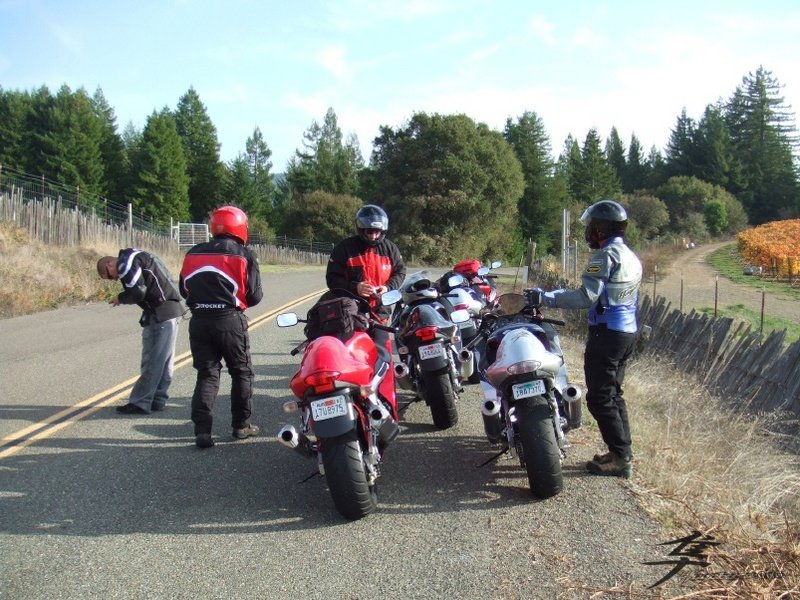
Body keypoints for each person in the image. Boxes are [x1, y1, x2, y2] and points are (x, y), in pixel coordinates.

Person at [530, 199, 642, 478]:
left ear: (602, 229)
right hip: (627, 332)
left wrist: (544, 298)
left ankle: (620, 459)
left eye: (592, 227)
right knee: (614, 395)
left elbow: (585, 297)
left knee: (600, 398)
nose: (589, 232)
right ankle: (621, 452)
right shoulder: (630, 255)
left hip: (607, 333)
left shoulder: (605, 257)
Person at [179, 206, 263, 449]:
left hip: (199, 320)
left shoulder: (193, 252)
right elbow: (255, 296)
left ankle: (202, 431)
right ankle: (241, 425)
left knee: (207, 373)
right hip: (229, 320)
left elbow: (184, 288)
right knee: (241, 372)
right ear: (239, 226)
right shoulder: (244, 254)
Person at [325, 204, 406, 415]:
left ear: (383, 230)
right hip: (352, 313)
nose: (373, 235)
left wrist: (387, 287)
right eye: (369, 231)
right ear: (361, 229)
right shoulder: (344, 248)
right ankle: (349, 405)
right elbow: (332, 279)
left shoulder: (390, 249)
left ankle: (387, 406)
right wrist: (355, 287)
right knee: (350, 356)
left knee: (383, 358)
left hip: (380, 313)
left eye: (377, 231)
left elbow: (400, 272)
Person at [97, 249, 183, 415]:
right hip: (169, 309)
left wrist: (120, 298)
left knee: (153, 359)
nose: (115, 279)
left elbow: (138, 291)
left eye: (110, 276)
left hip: (161, 312)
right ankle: (157, 399)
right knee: (164, 360)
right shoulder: (139, 256)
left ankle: (140, 402)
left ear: (109, 263)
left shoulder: (126, 262)